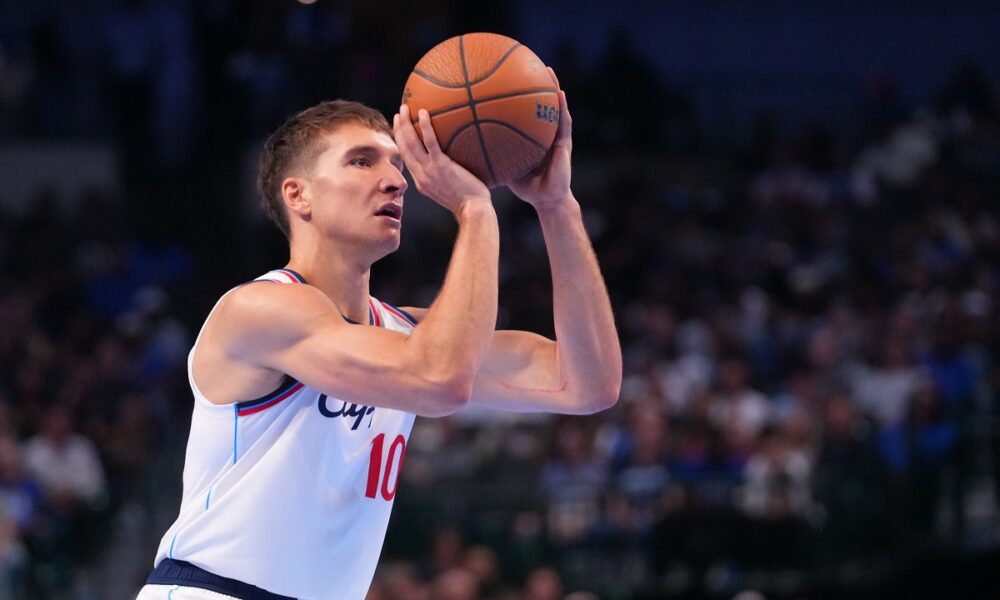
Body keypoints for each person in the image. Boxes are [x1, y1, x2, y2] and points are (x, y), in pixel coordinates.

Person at [137, 70, 621, 600]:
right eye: (362, 161)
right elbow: (440, 379)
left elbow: (587, 383)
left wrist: (557, 206)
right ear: (298, 195)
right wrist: (476, 209)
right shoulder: (258, 309)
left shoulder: (407, 335)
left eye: (396, 163)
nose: (396, 180)